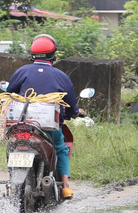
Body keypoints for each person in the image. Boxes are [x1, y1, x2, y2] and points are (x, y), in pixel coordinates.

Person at [6, 35, 82, 198]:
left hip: (22, 125)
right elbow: (71, 105)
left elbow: (9, 93)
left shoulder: (22, 71)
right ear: (53, 55)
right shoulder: (61, 76)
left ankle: (12, 183)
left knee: (12, 146)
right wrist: (74, 113)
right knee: (61, 148)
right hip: (48, 127)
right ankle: (65, 186)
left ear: (32, 54)